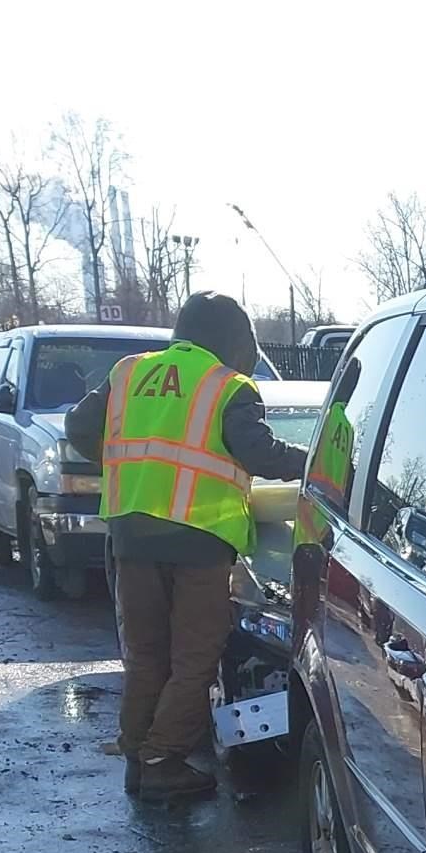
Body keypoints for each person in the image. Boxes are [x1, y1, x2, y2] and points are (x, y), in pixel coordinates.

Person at [65, 293, 307, 802]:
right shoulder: (227, 386)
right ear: (235, 343)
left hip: (131, 532)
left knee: (146, 652)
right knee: (195, 656)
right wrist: (318, 466)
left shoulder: (130, 372)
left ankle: (137, 753)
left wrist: (129, 469)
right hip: (198, 536)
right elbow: (259, 451)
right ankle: (163, 760)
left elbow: (80, 428)